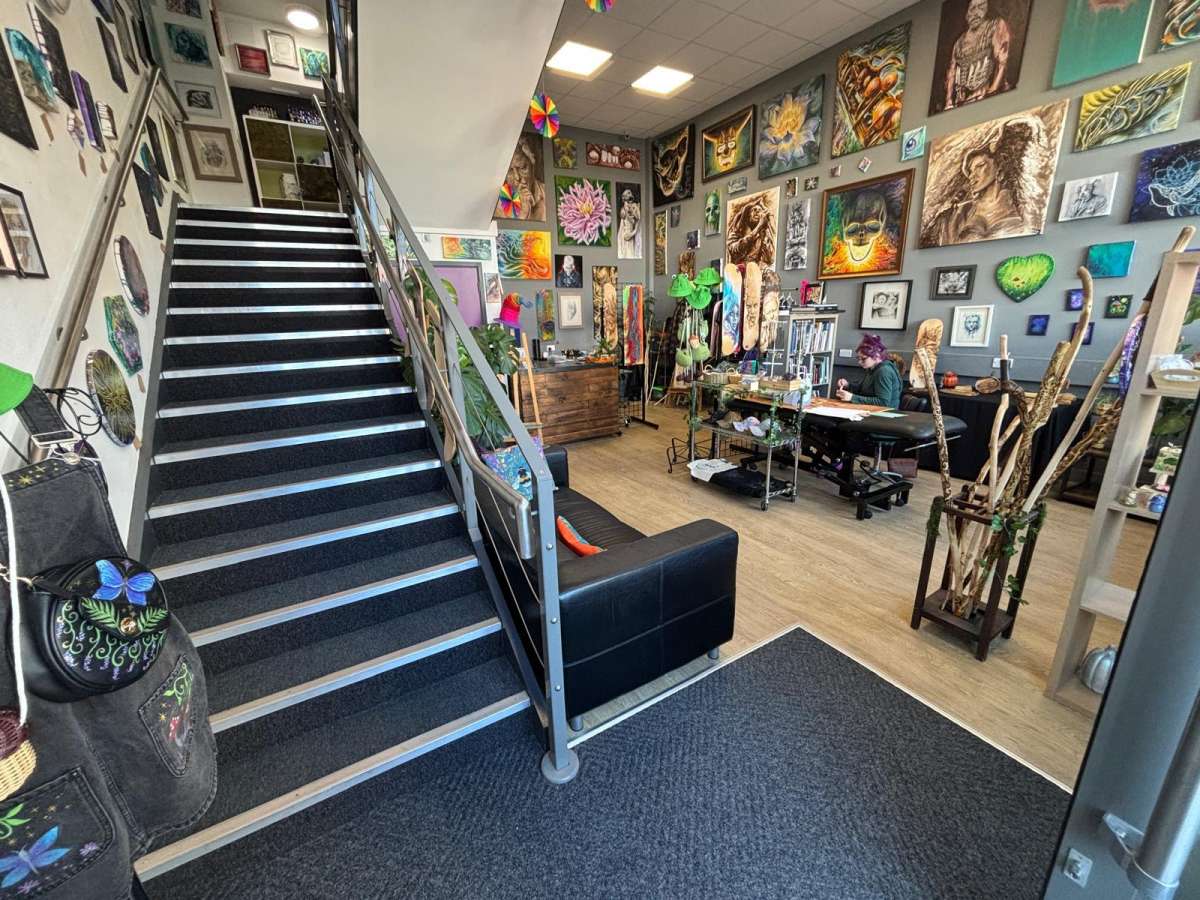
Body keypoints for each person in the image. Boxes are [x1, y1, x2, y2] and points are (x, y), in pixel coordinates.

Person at [943, 0, 1012, 111]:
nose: (976, 13)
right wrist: (948, 101)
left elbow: (1002, 62)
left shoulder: (995, 27)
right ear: (966, 14)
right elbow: (951, 72)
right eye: (972, 8)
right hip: (962, 102)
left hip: (986, 96)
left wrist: (992, 91)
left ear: (987, 9)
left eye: (981, 7)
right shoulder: (958, 43)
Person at [835, 334, 901, 408]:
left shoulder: (884, 371)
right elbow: (863, 389)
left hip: (885, 413)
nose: (859, 362)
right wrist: (848, 385)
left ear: (876, 356)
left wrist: (852, 397)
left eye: (863, 359)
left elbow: (883, 402)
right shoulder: (872, 368)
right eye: (858, 358)